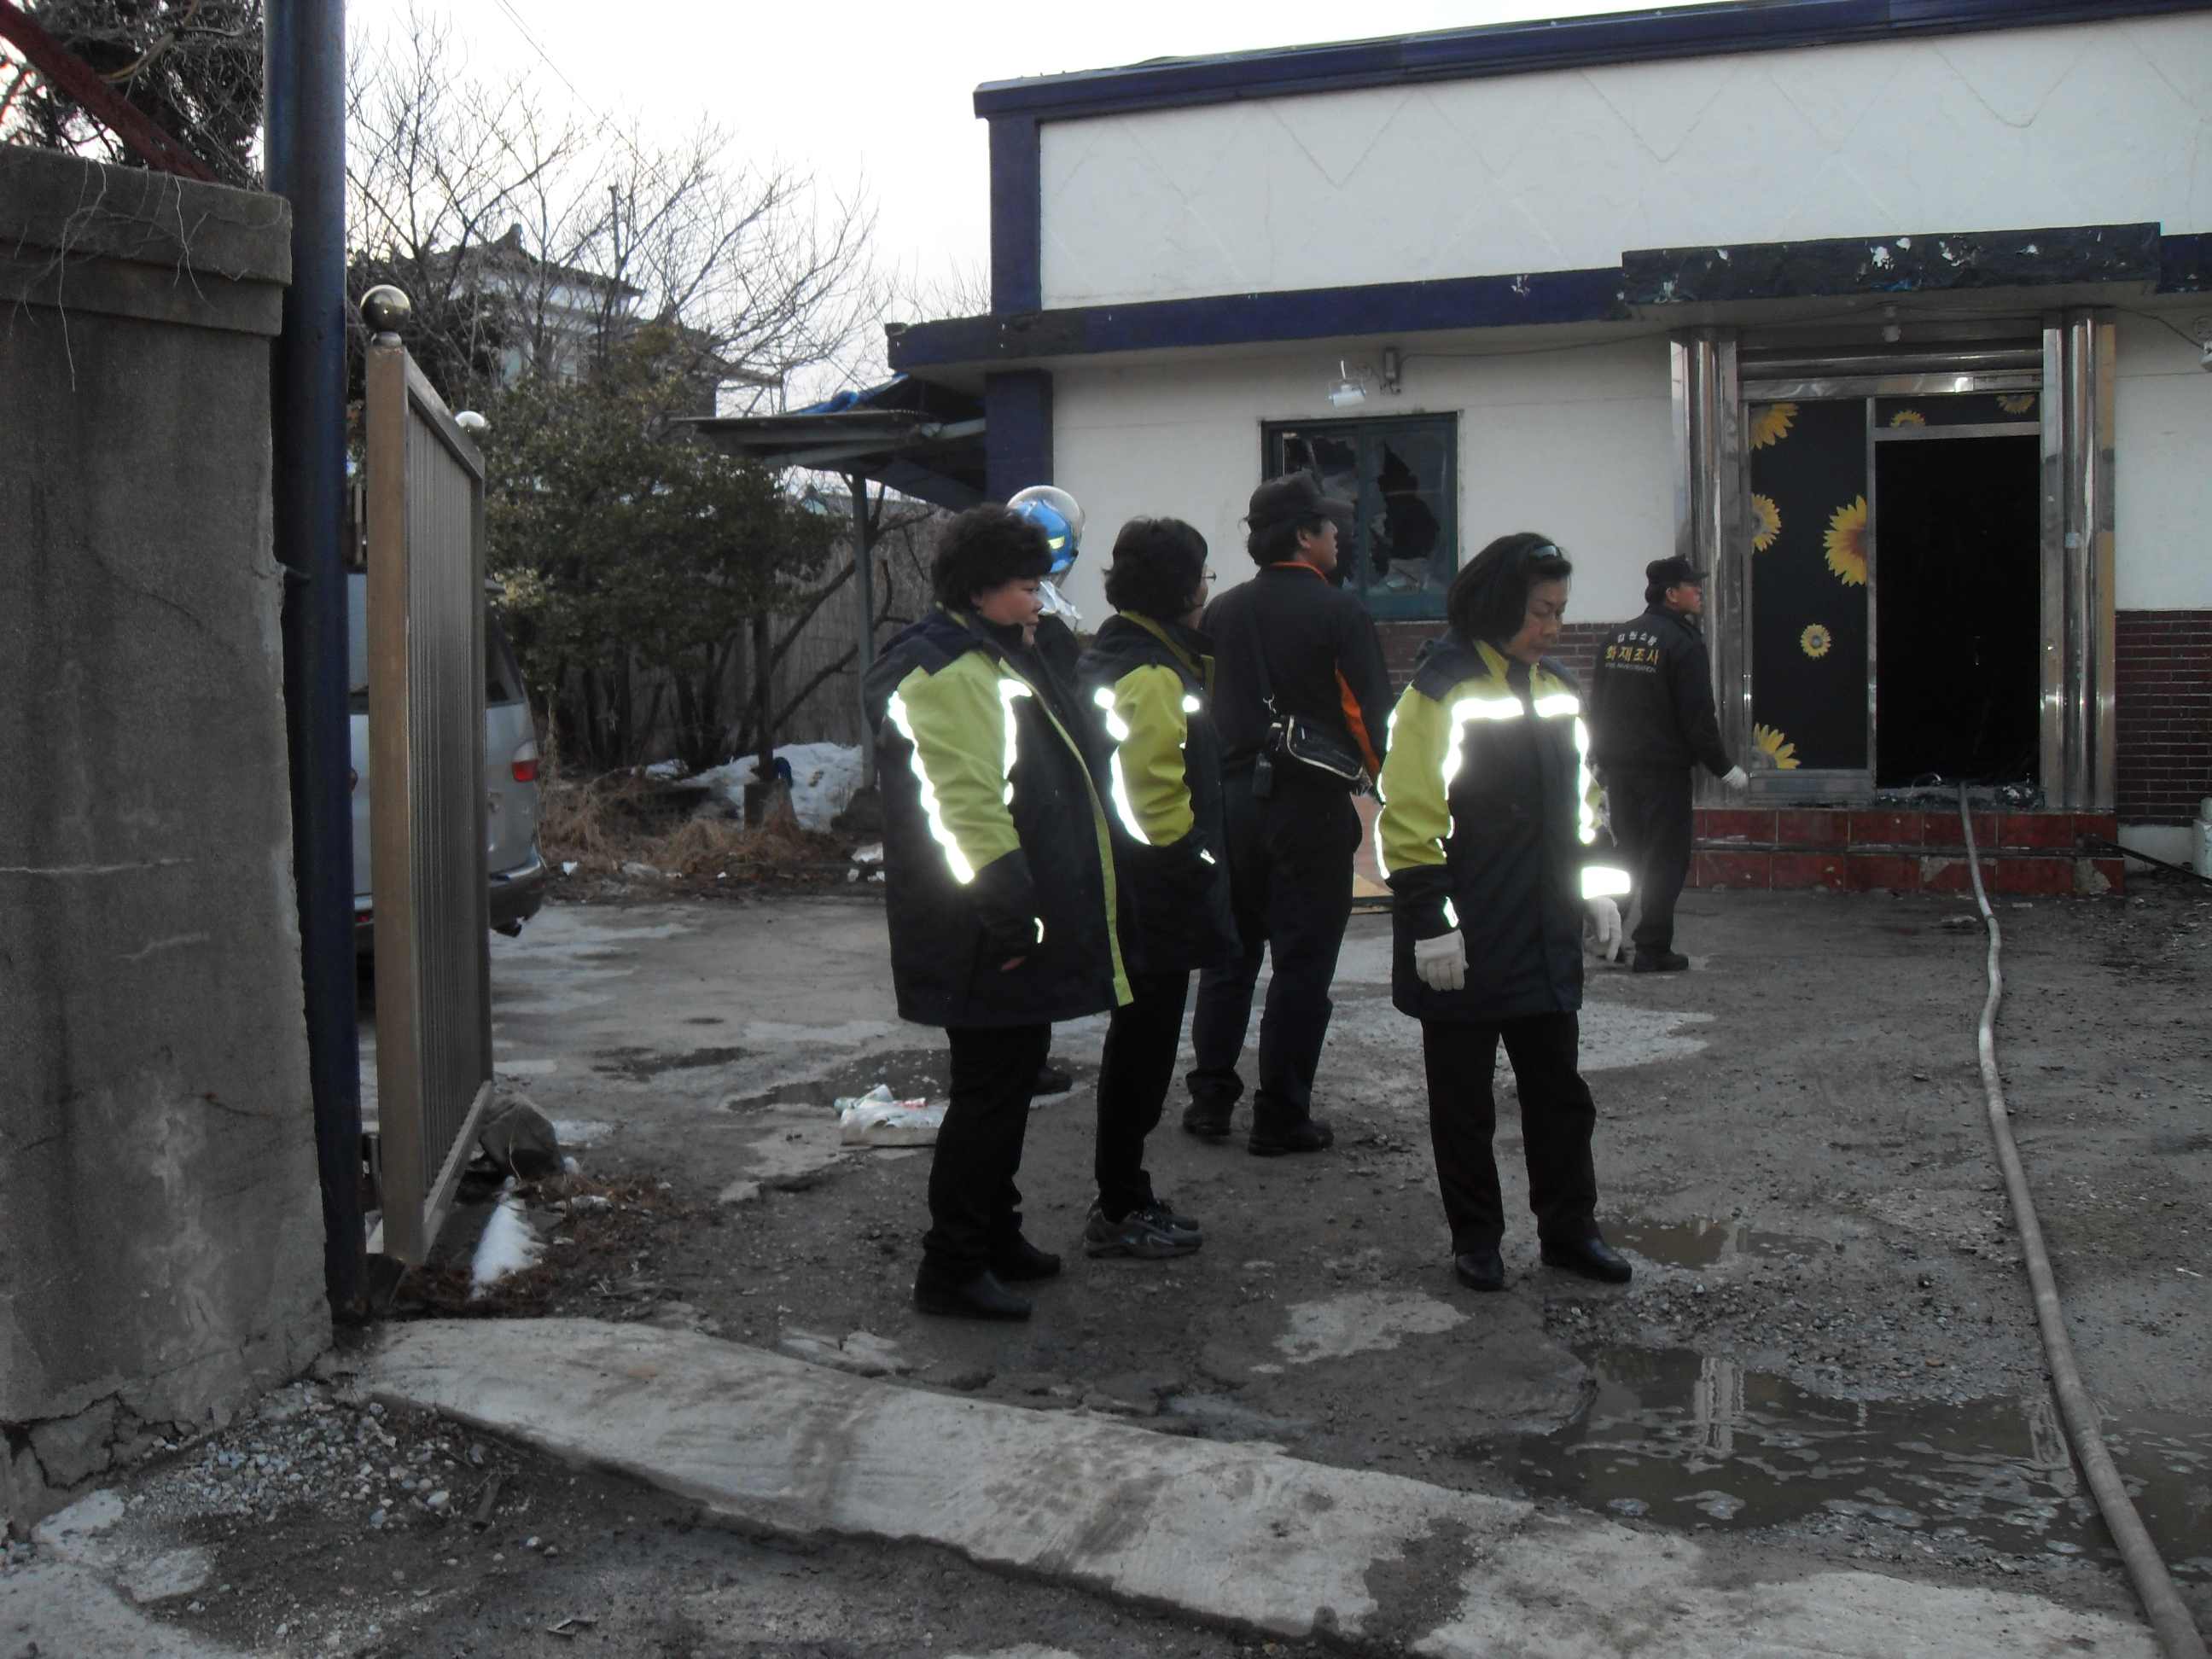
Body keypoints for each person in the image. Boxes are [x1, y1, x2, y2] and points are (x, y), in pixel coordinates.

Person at [862, 505, 1131, 1321]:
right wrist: (1013, 919)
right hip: (980, 924)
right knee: (987, 1093)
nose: (1039, 600)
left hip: (999, 917)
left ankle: (995, 1234)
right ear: (979, 590)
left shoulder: (994, 652)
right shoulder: (949, 672)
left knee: (1011, 1081)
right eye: (1025, 587)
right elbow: (968, 810)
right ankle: (951, 1265)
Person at [1376, 533, 1636, 1293]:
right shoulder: (1439, 693)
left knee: (1560, 1096)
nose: (1553, 627)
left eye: (1560, 611)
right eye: (1540, 612)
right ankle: (1477, 1240)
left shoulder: (1558, 689)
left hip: (1544, 930)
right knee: (1463, 1105)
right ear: (1498, 607)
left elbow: (1585, 805)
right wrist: (1430, 922)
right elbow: (1409, 815)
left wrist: (1597, 886)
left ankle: (1571, 1231)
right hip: (1467, 934)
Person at [1185, 470, 1394, 1155]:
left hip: (1232, 803)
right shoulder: (1341, 612)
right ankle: (1280, 1114)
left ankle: (1210, 1101)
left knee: (1230, 958)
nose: (1339, 537)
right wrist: (1382, 784)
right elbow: (1367, 718)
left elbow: (1204, 706)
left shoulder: (1221, 612)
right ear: (1306, 536)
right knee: (1302, 966)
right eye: (1331, 527)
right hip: (1309, 807)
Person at [1077, 518, 1242, 1257]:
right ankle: (1120, 1205)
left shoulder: (1125, 654)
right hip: (1154, 898)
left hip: (1135, 891)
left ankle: (1126, 1195)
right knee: (1142, 1054)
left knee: (1136, 1048)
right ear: (1182, 588)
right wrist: (1195, 861)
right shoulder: (1151, 673)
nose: (1206, 589)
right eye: (1202, 576)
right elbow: (1149, 798)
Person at [1588, 556, 1749, 973]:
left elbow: (1598, 704)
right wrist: (1723, 767)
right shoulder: (1683, 642)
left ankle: (1606, 936)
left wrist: (1600, 758)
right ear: (1671, 594)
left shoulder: (1617, 638)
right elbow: (1698, 716)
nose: (1700, 592)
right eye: (1692, 586)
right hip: (1663, 773)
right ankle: (1653, 947)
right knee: (1665, 860)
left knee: (1626, 855)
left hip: (1621, 771)